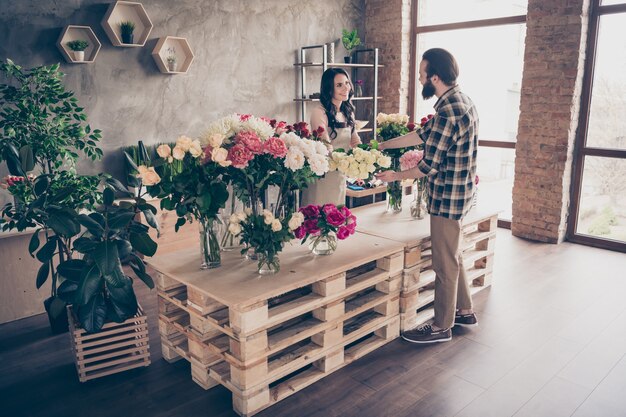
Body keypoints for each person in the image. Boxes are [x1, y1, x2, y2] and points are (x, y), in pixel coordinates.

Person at [376, 48, 479, 344]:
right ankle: (464, 310)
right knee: (452, 254)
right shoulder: (459, 101)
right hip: (460, 193)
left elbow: (427, 166)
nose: (420, 78)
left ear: (434, 77)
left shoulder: (449, 110)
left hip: (448, 196)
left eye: (422, 74)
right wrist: (384, 146)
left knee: (443, 265)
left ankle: (440, 326)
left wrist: (394, 177)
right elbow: (422, 134)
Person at [301, 68, 361, 206]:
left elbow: (355, 140)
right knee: (319, 215)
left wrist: (363, 158)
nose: (346, 88)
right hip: (323, 174)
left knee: (336, 215)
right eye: (339, 85)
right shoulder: (319, 112)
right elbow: (326, 146)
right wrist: (348, 163)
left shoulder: (348, 112)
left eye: (347, 83)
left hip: (340, 173)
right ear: (329, 89)